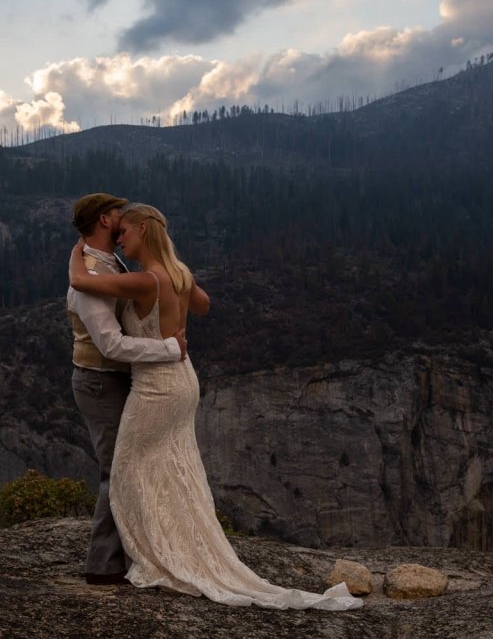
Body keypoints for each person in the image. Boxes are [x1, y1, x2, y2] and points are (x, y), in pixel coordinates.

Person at [69, 203, 363, 611]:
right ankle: (180, 541)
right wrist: (178, 300)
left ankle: (148, 556)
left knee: (125, 471)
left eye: (127, 233)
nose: (121, 238)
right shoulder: (178, 274)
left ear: (143, 232)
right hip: (185, 378)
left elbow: (80, 281)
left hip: (156, 386)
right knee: (173, 466)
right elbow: (203, 305)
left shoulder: (143, 282)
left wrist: (77, 249)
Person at [66, 193, 190, 586]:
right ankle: (102, 566)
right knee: (115, 470)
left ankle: (135, 551)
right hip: (99, 381)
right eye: (117, 213)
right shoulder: (91, 275)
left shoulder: (106, 264)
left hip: (121, 380)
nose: (122, 220)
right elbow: (111, 345)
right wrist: (169, 348)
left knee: (133, 465)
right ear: (104, 220)